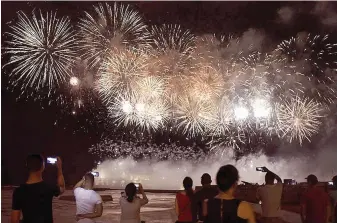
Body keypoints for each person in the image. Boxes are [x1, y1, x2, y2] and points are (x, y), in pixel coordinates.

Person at [11, 154, 65, 223]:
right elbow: (62, 188)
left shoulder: (18, 191)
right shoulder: (48, 188)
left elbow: (14, 220)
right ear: (43, 167)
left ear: (27, 166)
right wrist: (59, 169)